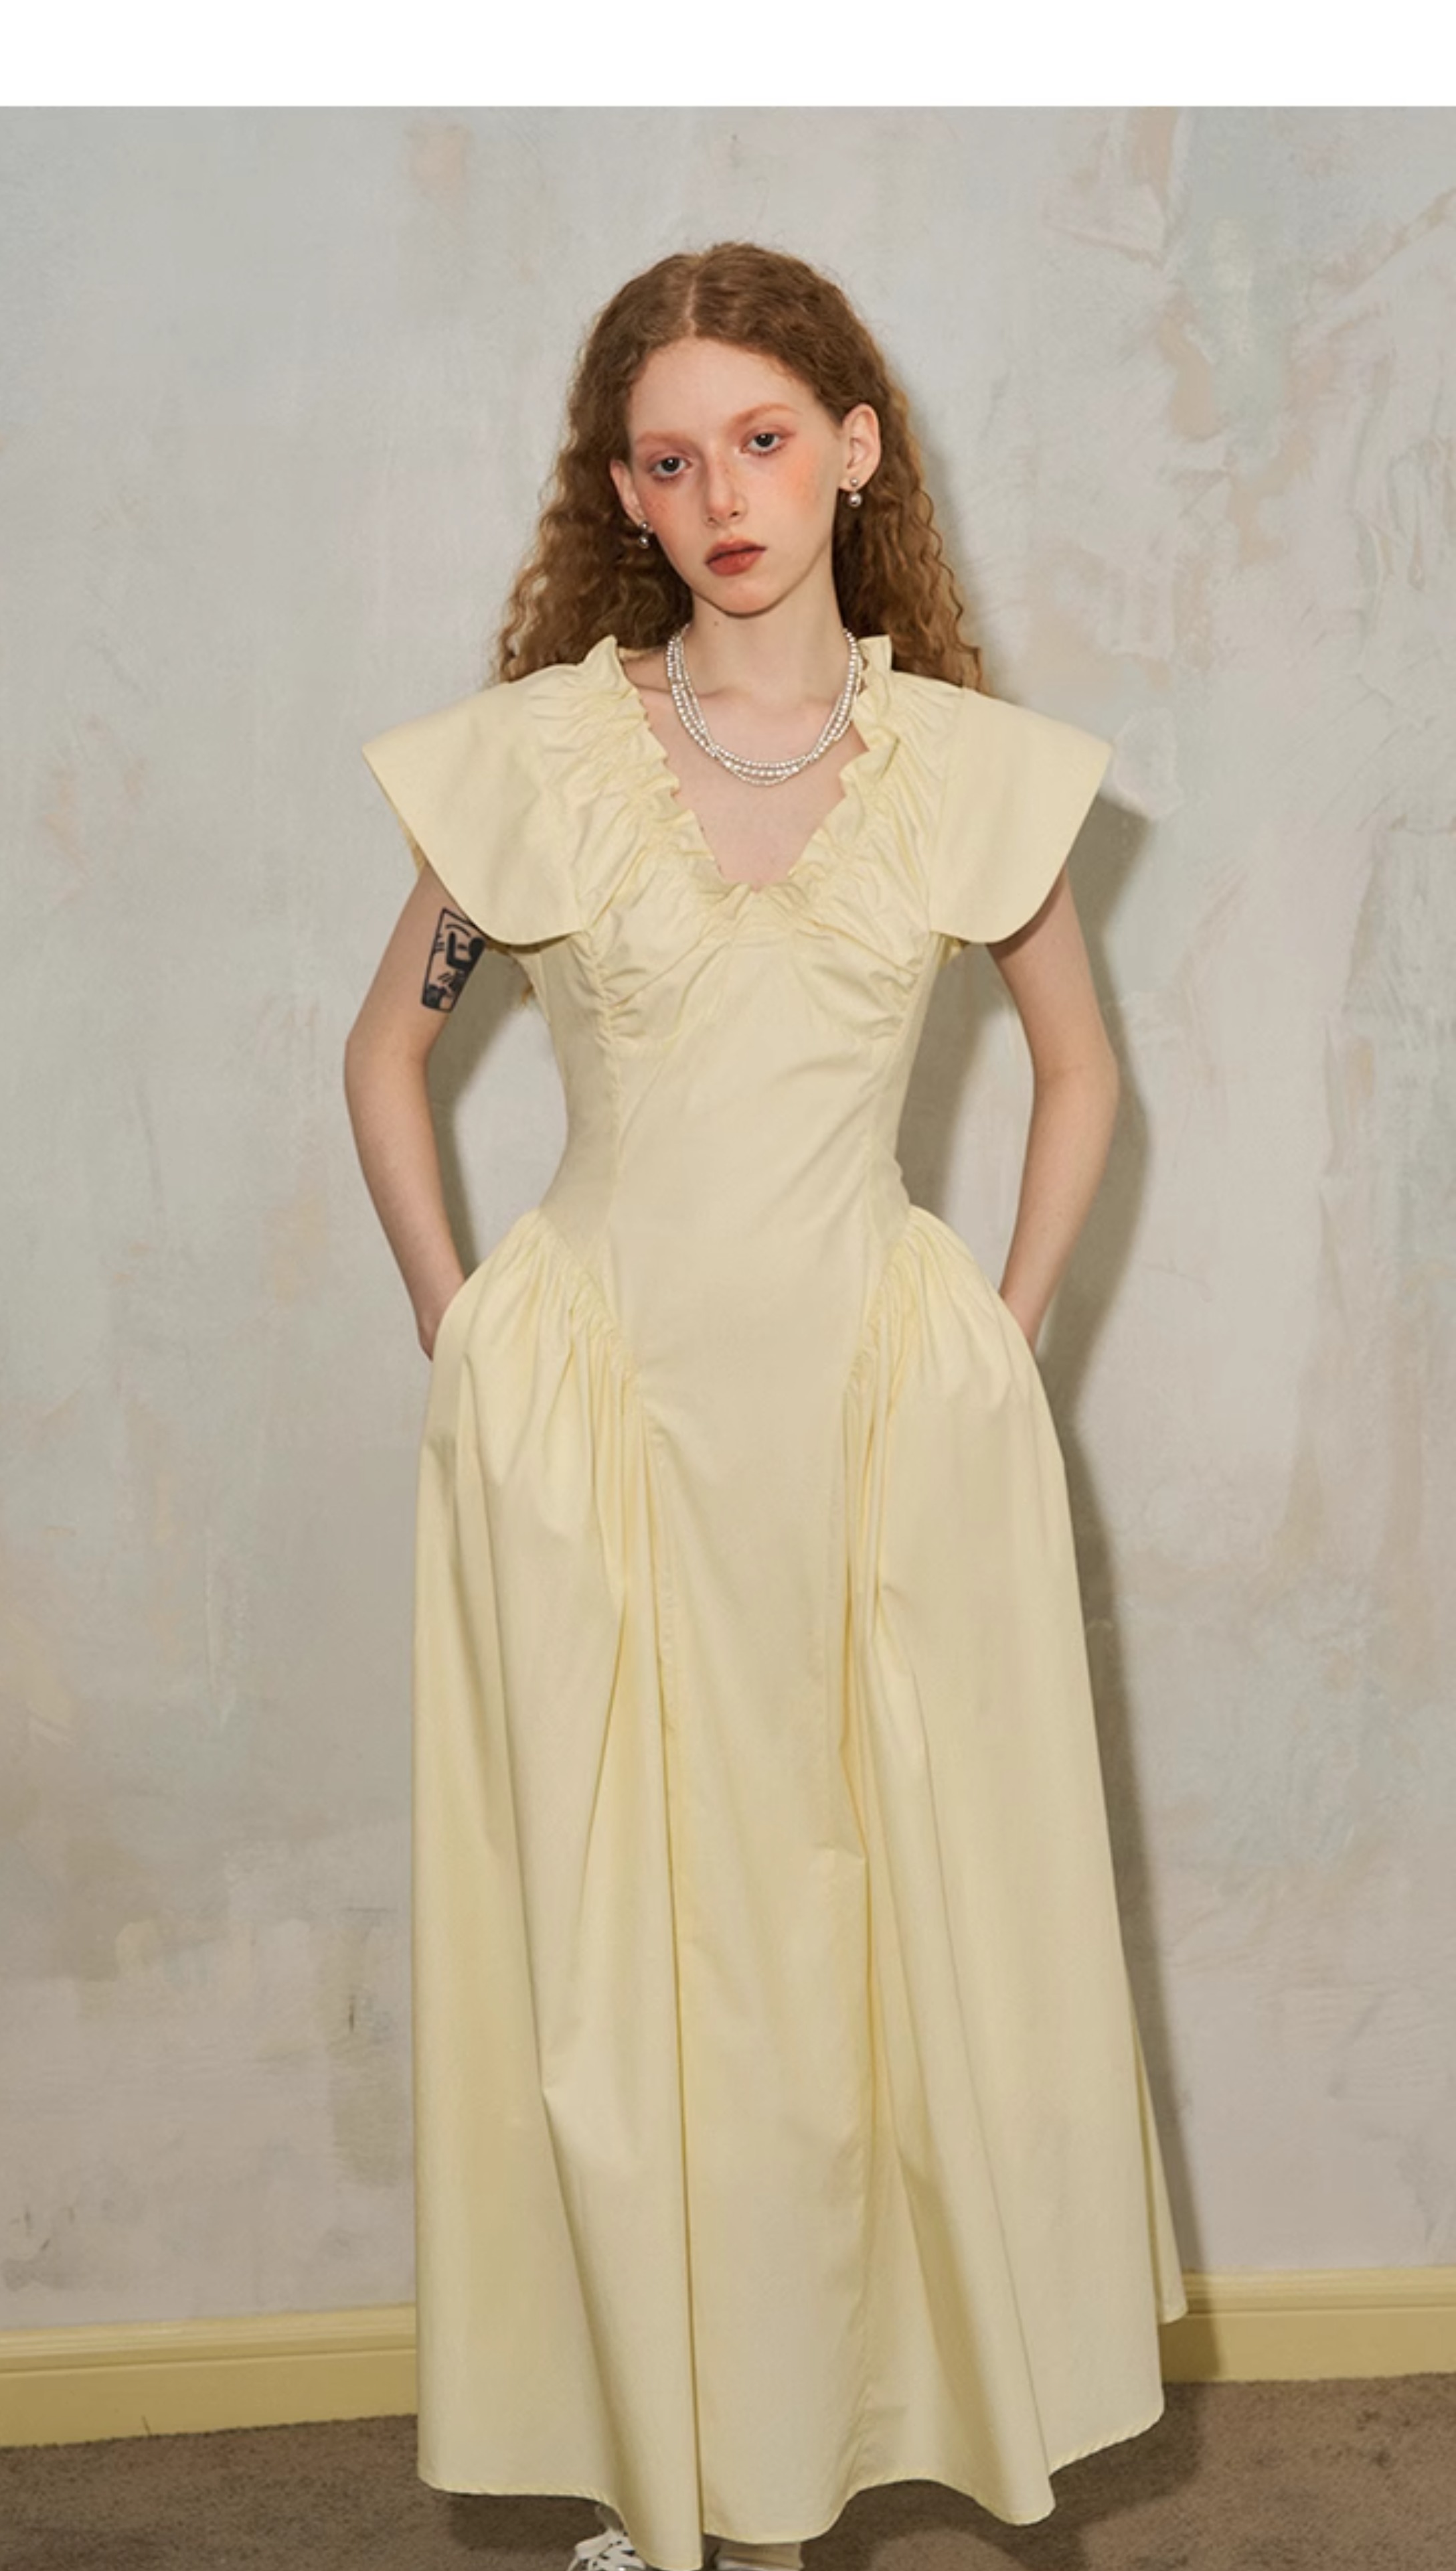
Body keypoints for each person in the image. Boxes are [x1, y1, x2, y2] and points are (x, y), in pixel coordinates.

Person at [343, 241, 1187, 2571]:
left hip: (867, 1430)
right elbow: (386, 1056)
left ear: (855, 450)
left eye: (763, 438)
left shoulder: (963, 776)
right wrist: (466, 1332)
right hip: (606, 1431)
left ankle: (818, 2450)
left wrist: (995, 1337)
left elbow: (1082, 1072)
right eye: (669, 456)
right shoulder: (543, 760)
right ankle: (668, 2484)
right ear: (621, 491)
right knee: (633, 1965)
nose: (722, 493)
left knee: (861, 1950)